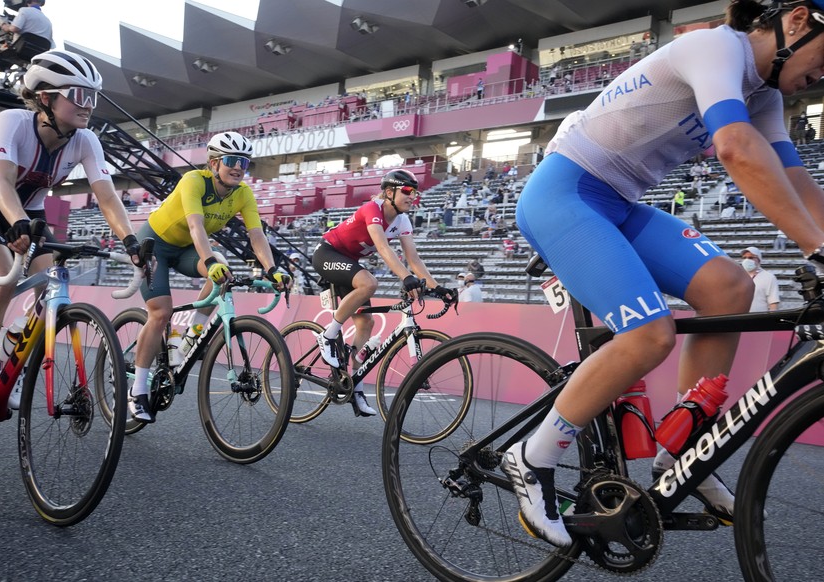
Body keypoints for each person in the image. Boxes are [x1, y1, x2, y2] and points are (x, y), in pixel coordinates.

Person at [509, 0, 824, 547]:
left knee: (731, 287)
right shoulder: (715, 48)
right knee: (650, 334)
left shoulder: (764, 94)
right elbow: (735, 147)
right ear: (797, 20)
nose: (823, 76)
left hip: (619, 202)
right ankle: (531, 457)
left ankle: (680, 453)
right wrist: (817, 250)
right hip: (565, 195)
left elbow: (796, 181)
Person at [0, 49, 147, 435]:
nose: (88, 106)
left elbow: (107, 197)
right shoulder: (12, 122)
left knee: (54, 283)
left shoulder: (86, 140)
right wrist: (18, 223)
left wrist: (130, 240)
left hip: (29, 212)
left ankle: (5, 354)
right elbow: (3, 181)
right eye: (78, 95)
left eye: (93, 97)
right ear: (45, 97)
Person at [127, 131, 289, 423]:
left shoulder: (243, 193)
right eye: (231, 160)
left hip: (187, 249)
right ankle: (137, 390)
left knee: (223, 273)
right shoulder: (194, 181)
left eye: (244, 162)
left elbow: (256, 234)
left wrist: (272, 269)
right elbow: (195, 225)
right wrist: (210, 260)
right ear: (214, 163)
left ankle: (191, 337)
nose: (238, 167)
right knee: (160, 313)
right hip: (155, 245)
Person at [312, 169, 454, 417]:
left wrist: (436, 287)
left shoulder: (402, 220)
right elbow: (381, 246)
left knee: (367, 323)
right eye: (407, 191)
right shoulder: (372, 209)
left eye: (415, 192)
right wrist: (406, 277)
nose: (413, 196)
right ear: (389, 192)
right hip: (327, 253)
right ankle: (328, 335)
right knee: (369, 282)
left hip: (350, 263)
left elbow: (414, 259)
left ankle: (354, 386)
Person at [0, 0, 54, 89]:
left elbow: (14, 28)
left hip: (19, 50)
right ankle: (23, 90)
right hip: (35, 55)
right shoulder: (47, 21)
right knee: (23, 67)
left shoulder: (24, 11)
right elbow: (51, 44)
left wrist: (4, 25)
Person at [740, 246, 780, 312]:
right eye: (744, 258)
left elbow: (773, 303)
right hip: (740, 318)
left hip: (759, 318)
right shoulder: (738, 276)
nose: (747, 260)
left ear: (759, 259)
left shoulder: (769, 277)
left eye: (751, 257)